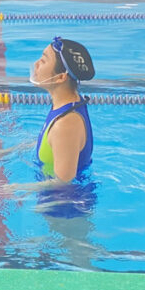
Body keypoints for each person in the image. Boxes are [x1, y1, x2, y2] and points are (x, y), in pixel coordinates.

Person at [29, 36, 96, 182]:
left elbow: (63, 184)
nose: (36, 64)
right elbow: (53, 143)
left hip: (62, 203)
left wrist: (15, 190)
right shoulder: (67, 103)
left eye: (44, 60)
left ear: (60, 77)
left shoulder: (65, 124)